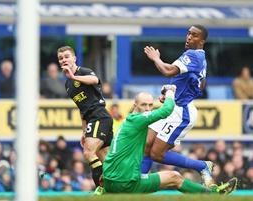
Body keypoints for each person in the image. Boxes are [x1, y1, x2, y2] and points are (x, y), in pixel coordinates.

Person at [103, 89, 237, 194]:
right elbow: (167, 110)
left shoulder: (128, 122)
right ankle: (213, 195)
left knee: (148, 150)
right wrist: (170, 92)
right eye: (144, 105)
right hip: (125, 182)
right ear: (135, 105)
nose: (148, 109)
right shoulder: (139, 120)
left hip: (109, 180)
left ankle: (103, 193)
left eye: (150, 105)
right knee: (175, 177)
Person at [142, 25, 214, 186]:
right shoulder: (200, 58)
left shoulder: (194, 56)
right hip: (171, 106)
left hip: (181, 112)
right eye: (188, 33)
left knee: (157, 154)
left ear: (202, 41)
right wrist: (168, 92)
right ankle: (137, 183)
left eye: (194, 35)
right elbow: (200, 85)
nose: (189, 37)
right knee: (145, 144)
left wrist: (155, 58)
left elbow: (168, 71)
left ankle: (202, 166)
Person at [57, 46, 113, 194]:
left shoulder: (83, 72)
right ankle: (115, 191)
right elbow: (82, 109)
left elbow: (95, 79)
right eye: (61, 58)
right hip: (91, 119)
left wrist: (74, 77)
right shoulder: (68, 85)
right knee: (105, 160)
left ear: (74, 58)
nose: (64, 60)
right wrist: (84, 131)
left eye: (66, 56)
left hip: (99, 115)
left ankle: (101, 189)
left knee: (88, 152)